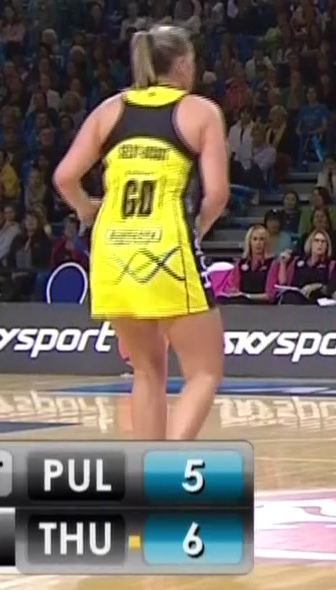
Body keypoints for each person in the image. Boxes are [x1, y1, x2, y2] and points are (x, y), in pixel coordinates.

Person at [53, 24, 229, 443]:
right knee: (204, 371)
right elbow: (218, 193)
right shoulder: (200, 111)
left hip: (112, 246)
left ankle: (147, 469)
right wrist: (197, 229)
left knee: (147, 371)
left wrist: (86, 209)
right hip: (165, 244)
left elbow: (64, 177)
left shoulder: (110, 109)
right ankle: (168, 465)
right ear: (182, 64)